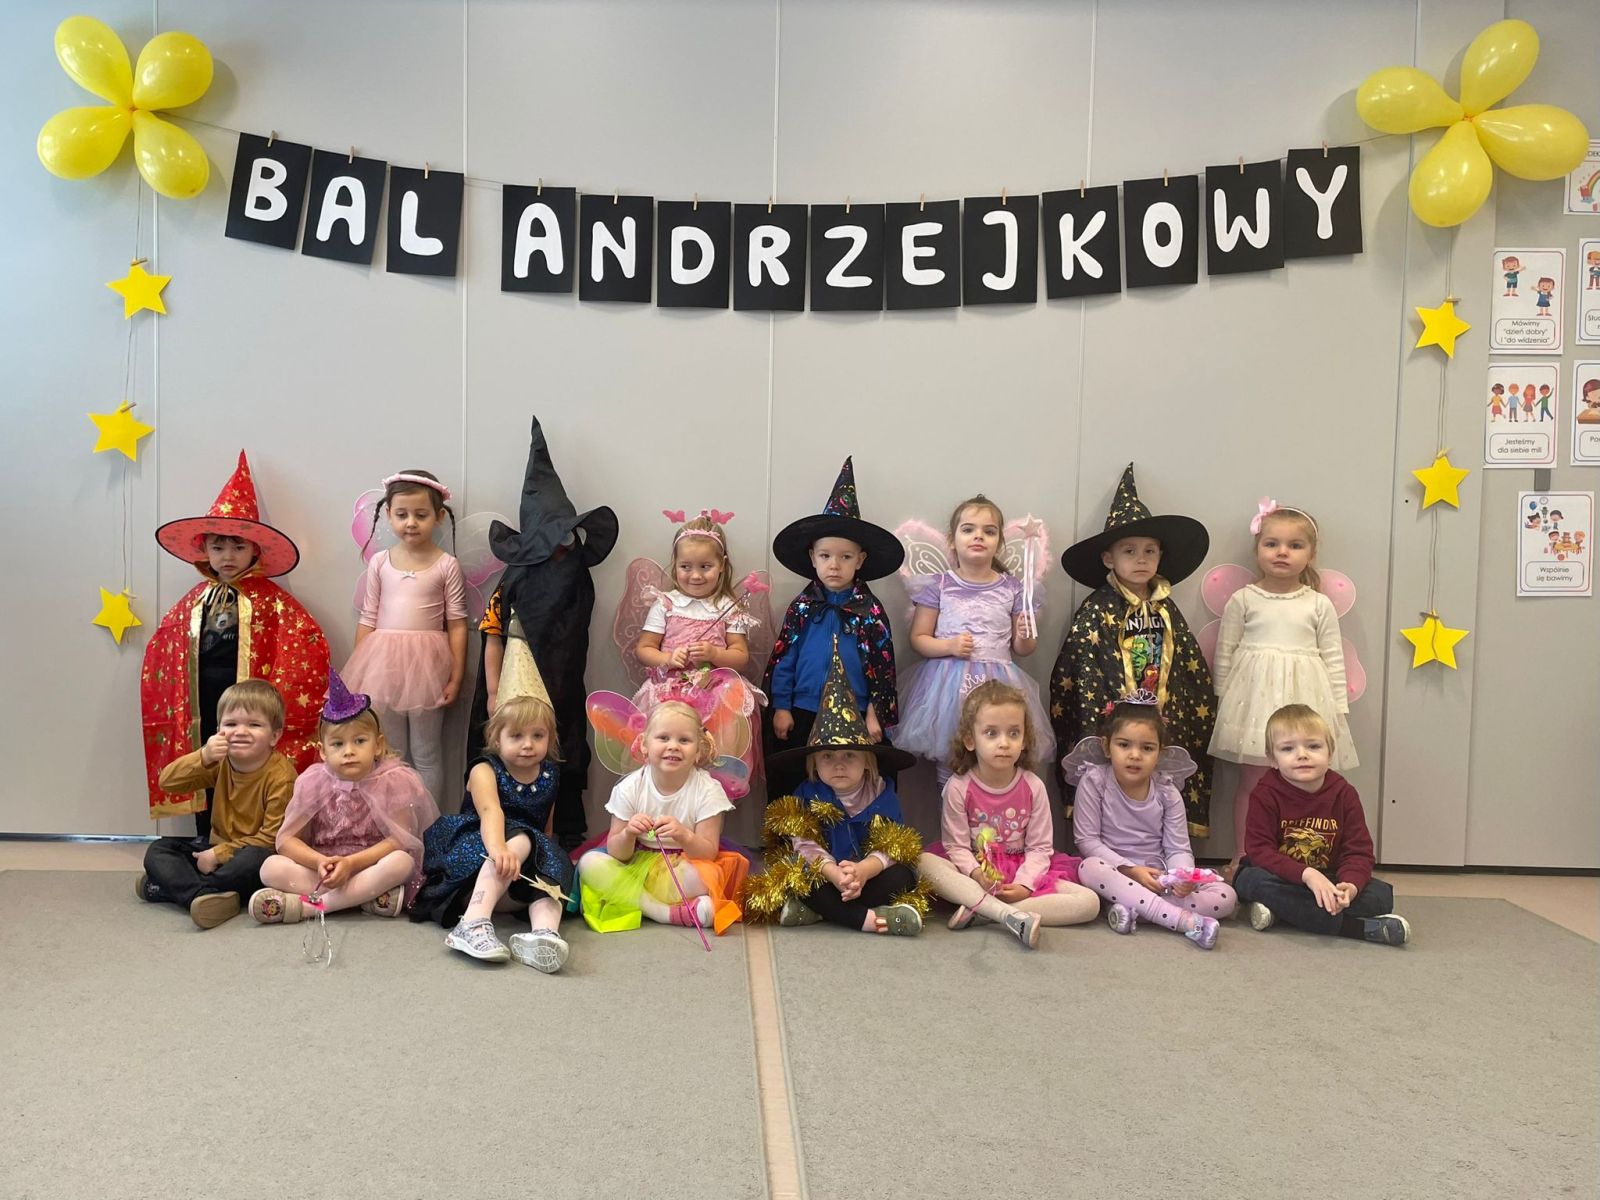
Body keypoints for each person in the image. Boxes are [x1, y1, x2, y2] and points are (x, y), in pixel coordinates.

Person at [141, 450, 327, 840]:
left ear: (255, 550)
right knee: (209, 757)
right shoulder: (193, 601)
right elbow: (166, 650)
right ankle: (206, 833)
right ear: (205, 550)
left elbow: (302, 647)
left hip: (247, 701)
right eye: (218, 547)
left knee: (248, 760)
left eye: (238, 547)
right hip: (201, 701)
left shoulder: (272, 601)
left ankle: (251, 838)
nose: (227, 556)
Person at [470, 415, 619, 850]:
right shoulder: (512, 581)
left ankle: (558, 832)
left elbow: (577, 630)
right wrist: (493, 691)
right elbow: (493, 634)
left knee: (556, 748)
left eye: (565, 536)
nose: (559, 546)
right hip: (513, 687)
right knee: (509, 750)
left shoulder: (576, 576)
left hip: (560, 683)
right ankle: (498, 829)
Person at [1050, 463, 1215, 841]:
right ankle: (1108, 850)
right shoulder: (1096, 610)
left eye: (1149, 551)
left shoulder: (1167, 610)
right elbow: (1080, 669)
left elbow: (1188, 670)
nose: (1141, 559)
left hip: (1161, 720)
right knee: (1112, 790)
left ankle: (1164, 850)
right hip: (1115, 724)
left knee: (1159, 794)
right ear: (1109, 558)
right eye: (1129, 550)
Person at [1208, 500, 1355, 876]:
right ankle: (1245, 854)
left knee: (1303, 780)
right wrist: (1224, 700)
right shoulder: (1244, 599)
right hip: (1252, 702)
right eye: (1271, 543)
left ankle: (1298, 854)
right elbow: (1225, 651)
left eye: (1295, 545)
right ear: (1257, 549)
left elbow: (1333, 657)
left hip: (1305, 699)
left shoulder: (1318, 604)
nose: (1282, 552)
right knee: (1252, 781)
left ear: (1311, 554)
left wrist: (1338, 708)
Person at [412, 639, 576, 972]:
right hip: (477, 853)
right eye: (516, 736)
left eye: (538, 735)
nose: (528, 745)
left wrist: (549, 861)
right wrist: (500, 848)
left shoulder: (550, 773)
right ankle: (472, 921)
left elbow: (546, 825)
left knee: (550, 866)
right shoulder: (485, 770)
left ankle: (544, 935)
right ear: (496, 738)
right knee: (522, 838)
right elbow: (491, 812)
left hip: (513, 876)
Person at [745, 640, 927, 935]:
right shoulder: (806, 794)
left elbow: (893, 845)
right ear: (814, 763)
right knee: (797, 876)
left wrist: (863, 871)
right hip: (826, 875)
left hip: (868, 874)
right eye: (827, 756)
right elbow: (806, 846)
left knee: (904, 875)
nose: (838, 765)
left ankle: (825, 911)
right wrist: (834, 874)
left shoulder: (881, 791)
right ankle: (866, 919)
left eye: (849, 756)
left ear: (867, 762)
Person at [248, 667, 438, 924]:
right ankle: (366, 897)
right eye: (338, 744)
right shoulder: (313, 782)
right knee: (270, 868)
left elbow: (400, 840)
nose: (349, 751)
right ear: (323, 751)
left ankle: (312, 907)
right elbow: (286, 841)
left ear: (378, 745)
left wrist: (352, 864)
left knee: (401, 862)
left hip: (370, 865)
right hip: (326, 869)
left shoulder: (394, 781)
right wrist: (320, 862)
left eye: (359, 741)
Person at [917, 681, 1098, 949]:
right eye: (991, 733)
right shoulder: (958, 787)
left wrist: (1025, 884)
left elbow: (1040, 848)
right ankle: (1003, 914)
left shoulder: (1033, 786)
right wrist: (976, 874)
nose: (1004, 743)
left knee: (1089, 903)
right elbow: (956, 846)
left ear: (1024, 740)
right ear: (970, 740)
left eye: (1013, 733)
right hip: (974, 873)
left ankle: (985, 912)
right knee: (923, 862)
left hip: (1022, 870)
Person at [763, 457, 903, 802]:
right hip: (803, 709)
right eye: (825, 556)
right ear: (813, 558)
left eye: (845, 557)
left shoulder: (870, 612)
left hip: (854, 713)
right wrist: (782, 707)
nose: (834, 565)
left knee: (850, 784)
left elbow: (882, 669)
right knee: (797, 781)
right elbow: (784, 660)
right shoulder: (802, 608)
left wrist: (875, 714)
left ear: (861, 560)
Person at [896, 495, 1052, 784]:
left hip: (999, 685)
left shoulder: (1013, 588)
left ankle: (988, 810)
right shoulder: (939, 585)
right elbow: (919, 638)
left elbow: (1023, 649)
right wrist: (949, 645)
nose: (978, 536)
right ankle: (951, 810)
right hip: (949, 687)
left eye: (989, 531)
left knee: (994, 754)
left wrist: (1025, 634)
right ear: (952, 540)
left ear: (999, 542)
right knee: (950, 755)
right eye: (968, 529)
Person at [1065, 694, 1236, 950]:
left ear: (1159, 753)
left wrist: (1182, 877)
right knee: (1088, 867)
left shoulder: (1167, 791)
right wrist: (1131, 870)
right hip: (1116, 873)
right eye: (1124, 745)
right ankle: (1182, 921)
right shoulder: (1095, 781)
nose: (1135, 755)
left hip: (1159, 878)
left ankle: (1136, 908)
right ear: (1106, 746)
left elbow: (1178, 848)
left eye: (1147, 748)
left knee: (1226, 895)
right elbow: (1087, 840)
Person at [1233, 705, 1409, 946]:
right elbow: (1260, 851)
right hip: (1280, 876)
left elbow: (1358, 851)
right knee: (1249, 881)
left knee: (1380, 895)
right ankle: (1355, 928)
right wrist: (1307, 875)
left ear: (1330, 753)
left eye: (1313, 746)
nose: (1302, 755)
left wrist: (1350, 886)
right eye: (1287, 748)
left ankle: (1282, 913)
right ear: (1272, 759)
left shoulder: (1344, 794)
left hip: (1330, 877)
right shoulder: (1265, 794)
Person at [342, 469, 467, 804]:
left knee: (426, 752)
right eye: (402, 514)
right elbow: (368, 617)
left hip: (428, 668)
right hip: (382, 666)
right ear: (388, 514)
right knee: (391, 751)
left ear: (439, 517)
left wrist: (456, 676)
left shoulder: (447, 565)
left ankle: (429, 824)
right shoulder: (380, 562)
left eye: (421, 515)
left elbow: (456, 624)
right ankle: (395, 818)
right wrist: (360, 674)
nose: (411, 523)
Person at [621, 509, 766, 797]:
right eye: (686, 566)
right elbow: (644, 648)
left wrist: (715, 653)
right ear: (675, 564)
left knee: (711, 762)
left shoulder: (729, 607)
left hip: (715, 694)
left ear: (722, 566)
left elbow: (740, 656)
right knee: (668, 755)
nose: (696, 575)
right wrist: (667, 658)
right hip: (670, 693)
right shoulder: (665, 603)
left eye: (705, 566)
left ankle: (708, 808)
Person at [577, 702, 750, 934]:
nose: (673, 746)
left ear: (698, 750)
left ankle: (636, 900)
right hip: (636, 864)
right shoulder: (630, 787)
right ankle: (664, 912)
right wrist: (628, 833)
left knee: (706, 877)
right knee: (589, 863)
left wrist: (684, 835)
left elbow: (708, 852)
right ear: (644, 744)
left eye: (684, 740)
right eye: (663, 738)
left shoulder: (708, 789)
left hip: (683, 865)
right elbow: (617, 852)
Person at [136, 680, 297, 928]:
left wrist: (219, 854)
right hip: (213, 850)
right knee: (158, 850)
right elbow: (167, 782)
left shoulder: (282, 777)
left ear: (274, 736)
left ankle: (177, 889)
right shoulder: (220, 762)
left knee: (255, 860)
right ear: (218, 730)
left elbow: (270, 839)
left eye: (254, 725)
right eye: (231, 724)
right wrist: (204, 756)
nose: (240, 732)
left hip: (251, 856)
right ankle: (206, 895)